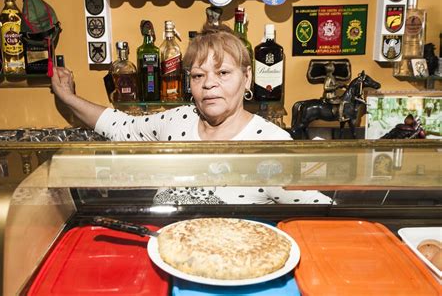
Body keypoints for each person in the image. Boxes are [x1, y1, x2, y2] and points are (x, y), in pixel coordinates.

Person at [51, 28, 332, 204]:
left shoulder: (272, 143)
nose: (209, 84)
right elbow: (121, 126)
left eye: (223, 73)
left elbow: (319, 212)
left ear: (247, 79)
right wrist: (68, 98)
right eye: (199, 75)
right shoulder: (177, 120)